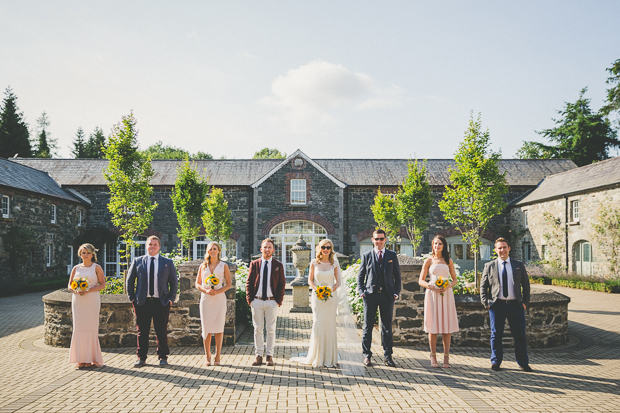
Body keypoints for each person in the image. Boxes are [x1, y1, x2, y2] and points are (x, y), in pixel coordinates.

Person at [480, 237, 533, 372]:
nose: (502, 250)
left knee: (519, 334)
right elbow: (483, 286)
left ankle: (523, 362)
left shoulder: (518, 265)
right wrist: (486, 302)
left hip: (515, 305)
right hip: (496, 305)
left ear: (509, 248)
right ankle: (496, 362)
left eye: (504, 247)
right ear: (495, 250)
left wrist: (525, 302)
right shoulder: (489, 266)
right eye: (499, 248)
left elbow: (525, 285)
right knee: (496, 334)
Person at [126, 235, 178, 367]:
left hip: (161, 302)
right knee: (142, 331)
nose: (152, 246)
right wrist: (132, 298)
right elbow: (130, 281)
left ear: (159, 247)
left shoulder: (167, 262)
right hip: (142, 302)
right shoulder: (138, 261)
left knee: (161, 331)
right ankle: (141, 358)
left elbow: (174, 282)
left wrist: (171, 298)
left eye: (155, 244)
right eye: (150, 244)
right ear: (146, 246)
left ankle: (163, 357)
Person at [357, 229, 401, 367]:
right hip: (370, 295)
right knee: (367, 327)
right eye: (376, 239)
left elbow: (397, 276)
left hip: (387, 296)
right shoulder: (366, 255)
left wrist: (396, 292)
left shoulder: (392, 255)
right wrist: (361, 291)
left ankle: (388, 356)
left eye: (381, 239)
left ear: (385, 240)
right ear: (373, 240)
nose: (379, 241)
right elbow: (360, 275)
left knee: (387, 327)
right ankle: (366, 356)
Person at [297, 239, 341, 367]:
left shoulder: (334, 263)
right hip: (317, 297)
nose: (326, 249)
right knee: (319, 323)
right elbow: (310, 280)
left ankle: (330, 358)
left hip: (331, 298)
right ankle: (317, 356)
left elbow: (338, 282)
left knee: (330, 324)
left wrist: (328, 291)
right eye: (323, 247)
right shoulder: (314, 263)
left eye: (328, 247)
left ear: (331, 249)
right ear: (319, 249)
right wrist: (319, 290)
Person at [419, 235, 459, 368]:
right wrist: (430, 286)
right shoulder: (428, 261)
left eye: (440, 244)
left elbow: (454, 279)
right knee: (433, 327)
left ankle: (446, 357)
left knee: (446, 327)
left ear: (444, 246)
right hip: (432, 295)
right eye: (435, 244)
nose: (437, 246)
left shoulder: (448, 261)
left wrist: (447, 286)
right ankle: (433, 356)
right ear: (432, 245)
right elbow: (421, 280)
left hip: (446, 295)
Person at [246, 238, 286, 366]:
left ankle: (269, 355)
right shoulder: (255, 264)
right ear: (261, 249)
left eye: (269, 247)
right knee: (257, 329)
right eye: (265, 247)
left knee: (271, 329)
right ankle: (258, 355)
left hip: (271, 302)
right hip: (256, 301)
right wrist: (250, 300)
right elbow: (249, 283)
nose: (267, 250)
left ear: (273, 250)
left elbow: (282, 284)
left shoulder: (278, 266)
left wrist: (278, 301)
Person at [67, 243, 106, 369]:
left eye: (88, 253)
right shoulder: (76, 268)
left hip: (92, 300)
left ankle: (91, 359)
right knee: (78, 328)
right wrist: (76, 290)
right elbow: (69, 285)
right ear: (80, 254)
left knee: (91, 328)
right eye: (83, 253)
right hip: (78, 301)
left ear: (92, 254)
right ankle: (80, 359)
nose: (86, 255)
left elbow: (102, 285)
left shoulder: (96, 267)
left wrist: (88, 290)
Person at [195, 241, 232, 366]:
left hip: (219, 299)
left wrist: (217, 292)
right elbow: (197, 283)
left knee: (219, 328)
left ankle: (217, 355)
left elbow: (228, 284)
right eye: (210, 249)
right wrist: (206, 290)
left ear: (218, 251)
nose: (212, 251)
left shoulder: (223, 266)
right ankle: (207, 355)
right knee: (207, 328)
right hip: (206, 300)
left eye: (215, 248)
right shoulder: (203, 266)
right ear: (207, 251)